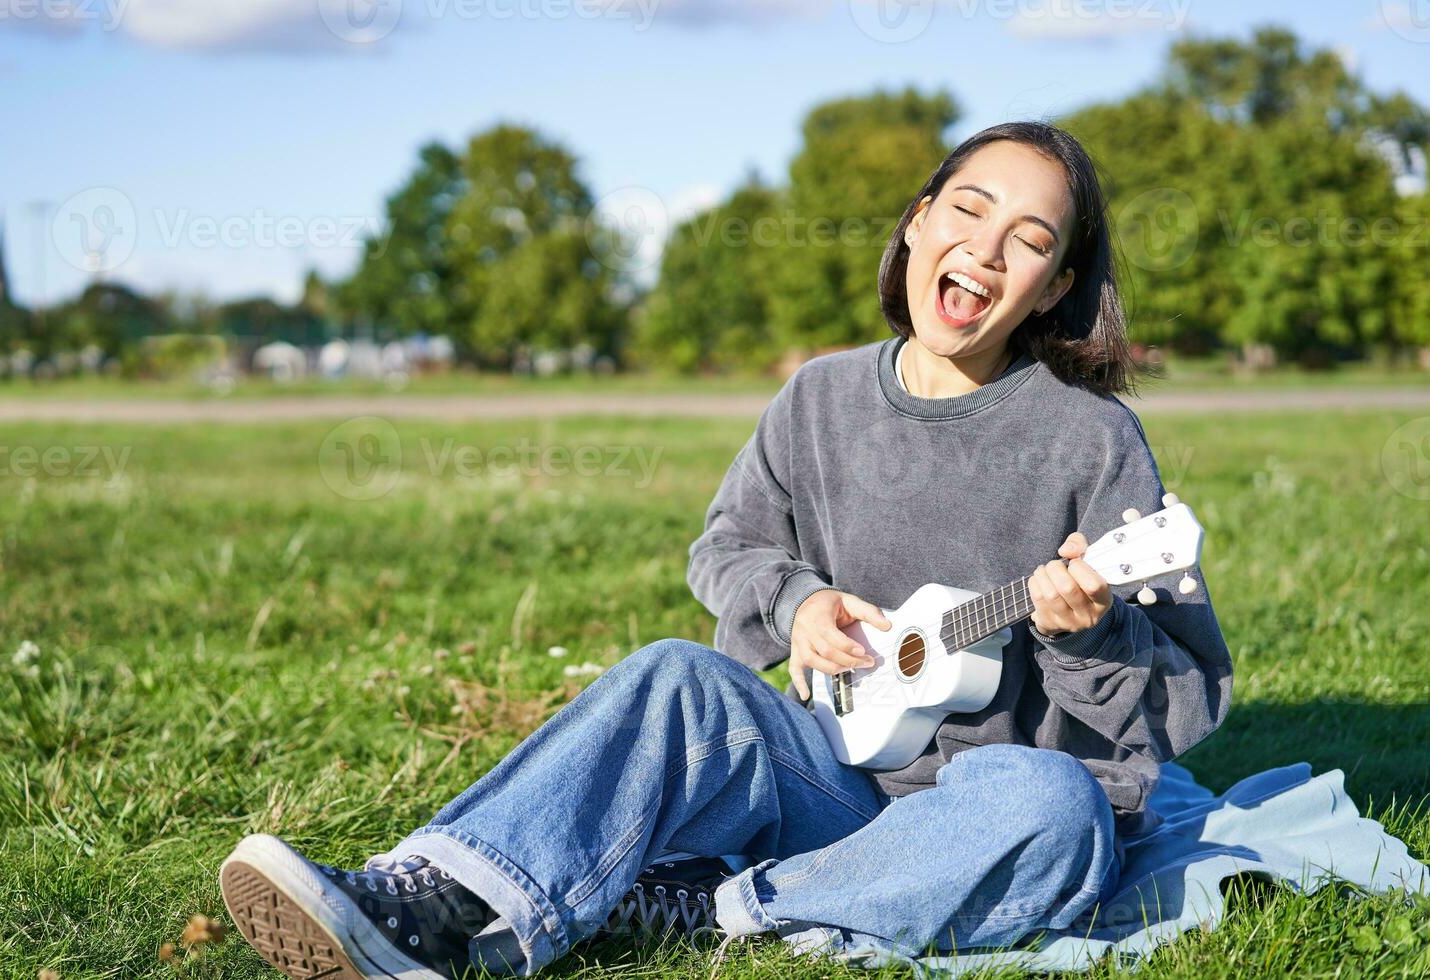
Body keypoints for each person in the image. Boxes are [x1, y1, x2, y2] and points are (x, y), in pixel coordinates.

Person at [218, 121, 1233, 979]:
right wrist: (793, 602)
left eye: (1030, 239)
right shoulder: (819, 397)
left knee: (1058, 812)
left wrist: (1085, 635)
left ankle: (719, 906)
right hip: (823, 774)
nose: (986, 248)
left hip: (975, 816)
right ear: (919, 222)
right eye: (968, 209)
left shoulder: (1091, 442)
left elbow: (1181, 696)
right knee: (674, 673)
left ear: (1056, 286)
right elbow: (728, 542)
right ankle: (430, 897)